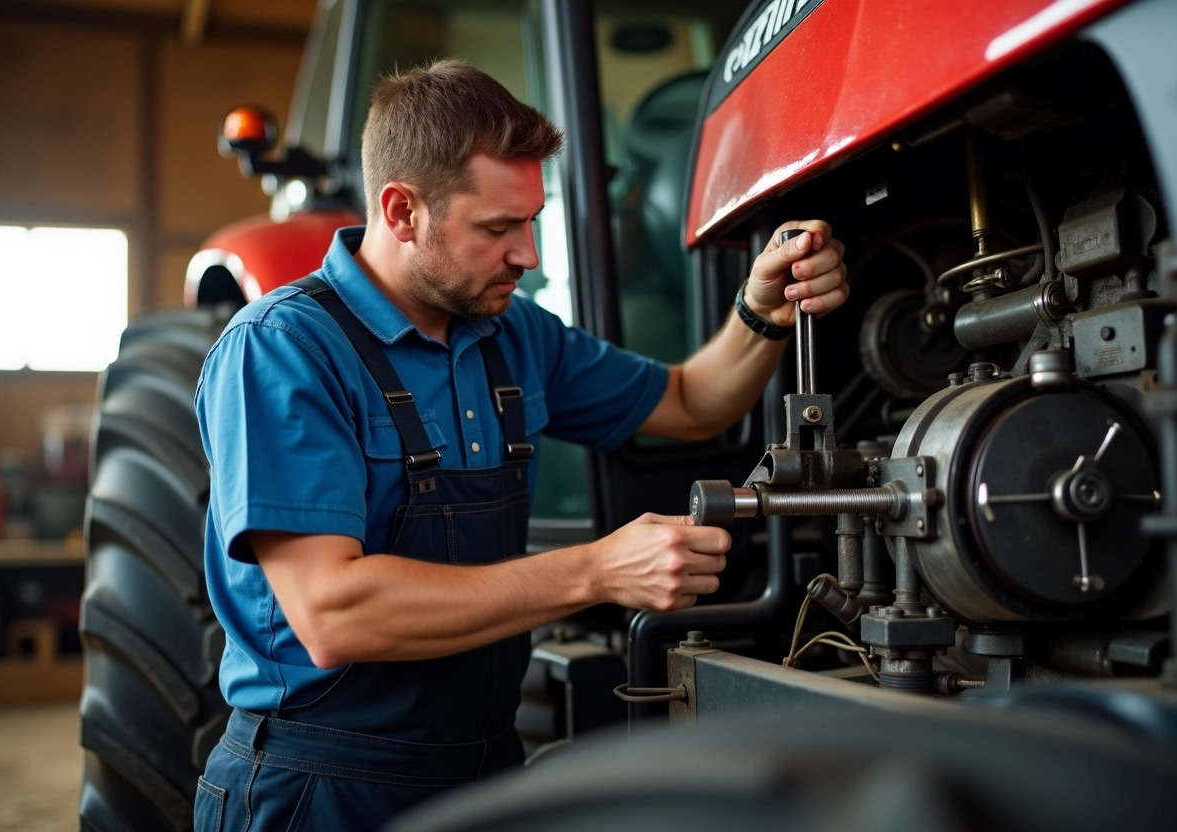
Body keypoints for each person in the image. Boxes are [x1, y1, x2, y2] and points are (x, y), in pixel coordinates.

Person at [192, 59, 849, 831]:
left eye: (532, 220)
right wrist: (599, 569)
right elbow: (336, 613)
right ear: (402, 211)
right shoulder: (281, 351)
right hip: (322, 790)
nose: (528, 255)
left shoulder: (511, 335)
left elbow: (689, 402)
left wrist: (762, 311)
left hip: (482, 775)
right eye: (498, 227)